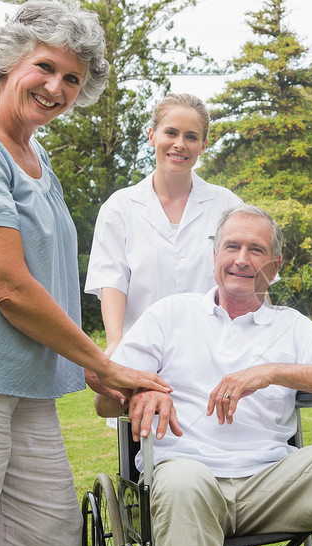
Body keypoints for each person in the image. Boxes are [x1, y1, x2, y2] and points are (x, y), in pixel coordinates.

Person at [0, 2, 172, 546]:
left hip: (23, 376)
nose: (56, 87)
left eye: (72, 78)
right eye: (45, 68)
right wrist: (101, 363)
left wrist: (89, 361)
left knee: (48, 539)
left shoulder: (32, 150)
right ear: (7, 62)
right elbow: (7, 285)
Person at [94, 205, 312, 546]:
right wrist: (139, 389)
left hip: (271, 484)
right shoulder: (169, 314)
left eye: (256, 250)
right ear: (215, 255)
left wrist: (271, 372)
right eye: (232, 246)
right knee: (183, 483)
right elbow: (103, 399)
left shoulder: (291, 327)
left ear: (276, 265)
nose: (242, 259)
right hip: (188, 477)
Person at [85, 92, 243, 354]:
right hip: (143, 351)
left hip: (216, 352)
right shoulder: (119, 207)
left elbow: (253, 278)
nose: (179, 144)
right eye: (171, 132)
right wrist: (115, 341)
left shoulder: (227, 205)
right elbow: (113, 282)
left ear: (203, 145)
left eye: (191, 137)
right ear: (152, 136)